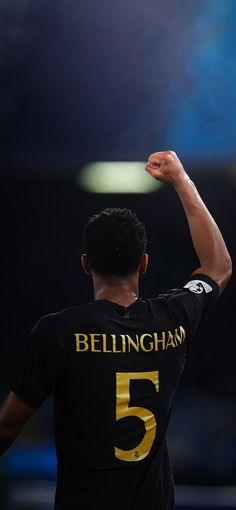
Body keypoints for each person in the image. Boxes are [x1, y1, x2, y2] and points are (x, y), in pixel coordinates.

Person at [0, 151, 232, 509]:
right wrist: (181, 181)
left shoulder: (58, 332)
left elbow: (7, 427)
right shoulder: (173, 318)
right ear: (144, 262)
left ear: (85, 264)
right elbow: (218, 266)